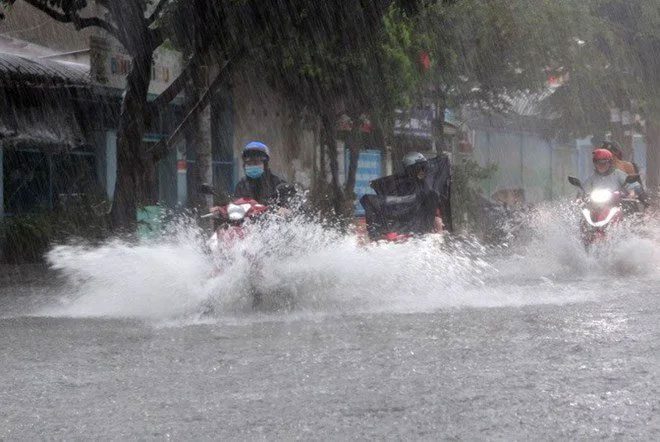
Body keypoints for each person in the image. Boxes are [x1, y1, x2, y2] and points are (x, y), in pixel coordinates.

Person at [401, 152, 444, 233]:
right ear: (413, 169)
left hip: (412, 231)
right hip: (418, 232)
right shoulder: (425, 189)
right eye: (421, 168)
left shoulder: (424, 186)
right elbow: (436, 217)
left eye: (424, 168)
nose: (424, 171)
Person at [234, 141, 288, 205]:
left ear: (265, 165)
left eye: (256, 163)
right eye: (249, 163)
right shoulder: (241, 185)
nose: (252, 166)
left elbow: (286, 205)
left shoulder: (277, 184)